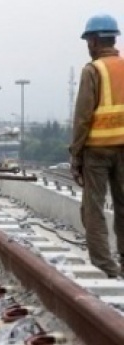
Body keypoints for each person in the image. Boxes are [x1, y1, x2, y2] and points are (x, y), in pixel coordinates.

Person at [70, 14, 124, 278]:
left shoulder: (93, 70)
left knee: (93, 209)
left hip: (97, 150)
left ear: (93, 41)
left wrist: (75, 154)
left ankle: (106, 268)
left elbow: (83, 117)